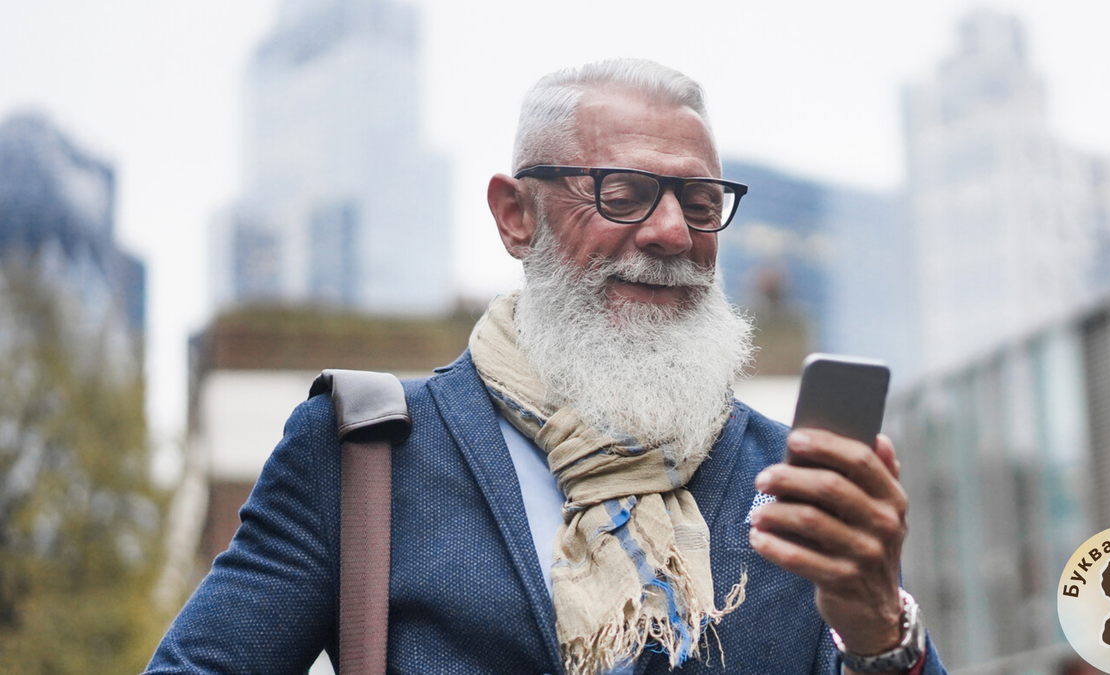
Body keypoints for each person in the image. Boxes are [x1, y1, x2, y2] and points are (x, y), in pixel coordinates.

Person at [144, 59, 946, 675]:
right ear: (514, 215)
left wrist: (882, 631)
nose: (672, 231)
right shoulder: (362, 454)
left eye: (700, 203)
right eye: (623, 191)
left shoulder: (792, 481)